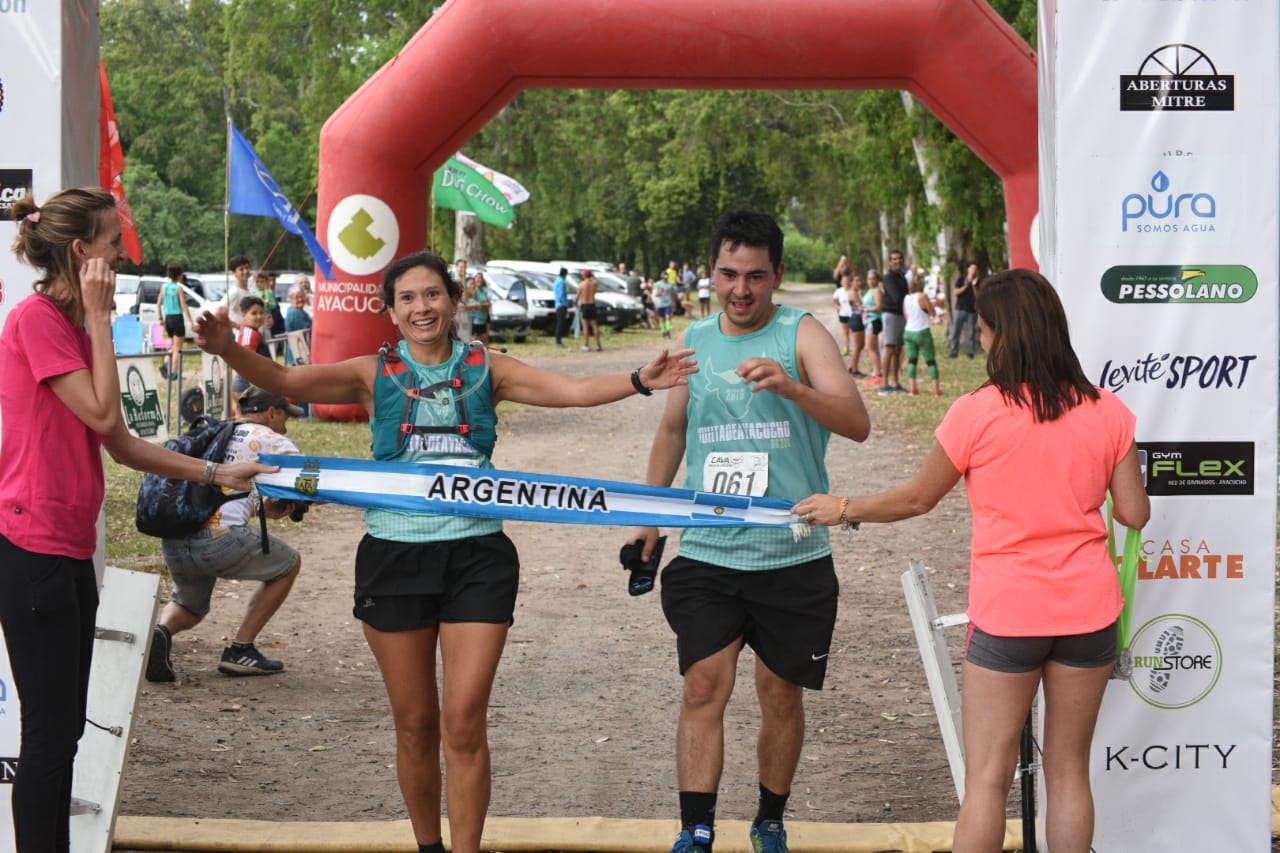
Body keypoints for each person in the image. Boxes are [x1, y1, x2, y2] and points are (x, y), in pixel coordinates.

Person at [192, 249, 697, 853]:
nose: (421, 307)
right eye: (407, 298)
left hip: (477, 558)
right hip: (394, 559)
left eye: (432, 294)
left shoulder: (488, 368)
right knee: (415, 725)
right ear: (390, 311)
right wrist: (227, 347)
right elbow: (285, 381)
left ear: (454, 301)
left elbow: (572, 389)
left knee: (463, 721)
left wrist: (640, 380)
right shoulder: (371, 373)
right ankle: (429, 846)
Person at [792, 268, 1149, 853]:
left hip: (1009, 614)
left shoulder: (977, 411)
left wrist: (845, 508)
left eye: (983, 331)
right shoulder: (1108, 411)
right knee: (1069, 773)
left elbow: (917, 499)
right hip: (1088, 613)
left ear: (999, 334)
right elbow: (1134, 513)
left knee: (986, 781)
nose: (980, 341)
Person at [0, 187, 269, 852]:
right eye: (113, 242)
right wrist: (100, 319)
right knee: (48, 733)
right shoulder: (37, 320)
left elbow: (118, 443)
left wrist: (216, 474)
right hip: (32, 546)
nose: (123, 255)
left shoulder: (68, 326)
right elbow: (101, 414)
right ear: (81, 251)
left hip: (68, 546)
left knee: (66, 731)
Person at [624, 209, 869, 853]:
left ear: (777, 274)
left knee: (780, 695)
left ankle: (769, 820)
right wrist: (650, 517)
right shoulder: (695, 338)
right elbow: (673, 430)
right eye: (729, 274)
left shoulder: (802, 333)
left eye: (755, 276)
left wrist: (793, 388)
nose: (740, 289)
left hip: (792, 552)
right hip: (709, 551)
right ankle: (696, 829)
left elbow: (856, 422)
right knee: (704, 683)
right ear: (711, 271)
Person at [146, 387, 308, 682]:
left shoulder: (212, 432)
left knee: (189, 607)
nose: (286, 426)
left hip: (175, 538)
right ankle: (241, 649)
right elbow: (311, 484)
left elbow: (221, 492)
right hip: (218, 540)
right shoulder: (271, 439)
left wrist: (263, 508)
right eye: (285, 416)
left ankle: (160, 633)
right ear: (272, 413)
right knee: (289, 564)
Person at [901, 275, 941, 396]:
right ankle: (936, 390)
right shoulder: (922, 296)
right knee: (931, 361)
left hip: (909, 331)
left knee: (912, 360)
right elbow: (933, 313)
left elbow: (906, 316)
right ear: (922, 285)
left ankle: (913, 389)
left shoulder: (906, 298)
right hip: (922, 331)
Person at [879, 249, 909, 393]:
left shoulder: (902, 277)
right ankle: (884, 384)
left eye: (899, 258)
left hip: (901, 315)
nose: (897, 261)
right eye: (894, 259)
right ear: (890, 262)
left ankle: (895, 383)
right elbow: (896, 297)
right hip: (891, 314)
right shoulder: (888, 278)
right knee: (889, 348)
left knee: (897, 349)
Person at [157, 264, 194, 380]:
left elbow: (158, 304)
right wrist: (191, 322)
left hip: (168, 319)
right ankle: (173, 373)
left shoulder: (164, 287)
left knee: (173, 346)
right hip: (177, 318)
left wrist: (161, 319)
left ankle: (165, 365)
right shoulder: (179, 288)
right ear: (179, 275)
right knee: (178, 348)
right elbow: (184, 306)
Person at [231, 296, 272, 395]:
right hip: (248, 389)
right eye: (254, 313)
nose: (259, 316)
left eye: (261, 313)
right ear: (243, 315)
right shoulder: (249, 334)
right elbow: (246, 363)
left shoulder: (252, 331)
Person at [949, 262, 979, 359]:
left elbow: (978, 296)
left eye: (975, 269)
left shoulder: (977, 282)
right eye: (972, 268)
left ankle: (970, 352)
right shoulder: (961, 279)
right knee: (956, 331)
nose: (973, 270)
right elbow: (955, 292)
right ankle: (954, 351)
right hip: (960, 309)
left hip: (972, 311)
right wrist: (966, 285)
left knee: (971, 333)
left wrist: (974, 285)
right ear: (968, 270)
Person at [861, 270, 884, 386]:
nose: (871, 281)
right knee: (871, 348)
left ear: (877, 280)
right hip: (868, 321)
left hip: (874, 321)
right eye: (869, 279)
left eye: (873, 279)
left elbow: (879, 307)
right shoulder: (870, 291)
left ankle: (877, 375)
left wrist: (866, 309)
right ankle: (876, 372)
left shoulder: (877, 291)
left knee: (871, 348)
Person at [284, 285, 312, 366]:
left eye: (302, 296)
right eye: (297, 297)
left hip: (297, 351)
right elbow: (307, 328)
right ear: (291, 299)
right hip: (299, 352)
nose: (300, 299)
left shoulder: (297, 310)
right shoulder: (295, 313)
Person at [846, 273, 868, 377]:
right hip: (856, 319)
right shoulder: (853, 293)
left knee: (860, 345)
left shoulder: (858, 292)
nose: (859, 283)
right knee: (857, 346)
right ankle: (853, 369)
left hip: (859, 319)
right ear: (851, 282)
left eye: (860, 280)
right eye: (856, 281)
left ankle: (853, 367)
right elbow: (862, 306)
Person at [225, 255, 253, 328]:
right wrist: (240, 327)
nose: (245, 271)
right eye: (241, 269)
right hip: (239, 333)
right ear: (234, 273)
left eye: (247, 268)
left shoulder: (250, 290)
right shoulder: (234, 292)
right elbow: (218, 314)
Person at [577, 269, 601, 352]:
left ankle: (586, 345)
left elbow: (578, 296)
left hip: (584, 305)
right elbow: (597, 282)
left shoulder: (581, 284)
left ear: (584, 275)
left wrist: (576, 304)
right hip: (592, 305)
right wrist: (593, 276)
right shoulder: (594, 284)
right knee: (595, 325)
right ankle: (598, 344)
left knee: (585, 326)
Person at [832, 271, 855, 357]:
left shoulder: (853, 290)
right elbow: (834, 300)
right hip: (843, 314)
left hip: (852, 314)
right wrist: (837, 307)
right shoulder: (839, 291)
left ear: (850, 282)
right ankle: (846, 348)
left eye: (847, 281)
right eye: (844, 281)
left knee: (853, 332)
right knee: (845, 332)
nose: (846, 283)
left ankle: (854, 348)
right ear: (841, 282)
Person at [466, 272, 492, 347]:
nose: (480, 280)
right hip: (475, 319)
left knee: (485, 338)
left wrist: (483, 305)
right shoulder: (473, 290)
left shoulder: (484, 290)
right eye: (478, 278)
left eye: (481, 278)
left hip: (485, 317)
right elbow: (478, 305)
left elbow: (488, 304)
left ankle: (485, 353)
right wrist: (483, 305)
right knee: (475, 339)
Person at [553, 267, 571, 347]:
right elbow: (561, 294)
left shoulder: (557, 280)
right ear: (565, 273)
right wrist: (565, 304)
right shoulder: (562, 282)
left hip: (557, 304)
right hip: (562, 305)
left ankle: (558, 340)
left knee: (559, 323)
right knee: (560, 324)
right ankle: (558, 341)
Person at [653, 273, 674, 339]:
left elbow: (672, 294)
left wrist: (674, 303)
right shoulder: (658, 284)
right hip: (660, 304)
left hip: (668, 303)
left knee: (667, 316)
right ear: (662, 277)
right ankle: (663, 331)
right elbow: (656, 295)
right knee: (662, 319)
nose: (665, 279)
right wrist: (660, 291)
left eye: (666, 277)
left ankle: (668, 331)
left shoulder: (671, 284)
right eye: (664, 278)